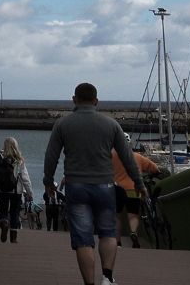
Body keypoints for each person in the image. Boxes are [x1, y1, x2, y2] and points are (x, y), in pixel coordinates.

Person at [44, 83, 148, 285]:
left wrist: (48, 181)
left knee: (83, 239)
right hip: (105, 186)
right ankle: (107, 277)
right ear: (96, 101)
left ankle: (89, 283)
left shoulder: (63, 124)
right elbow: (128, 157)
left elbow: (51, 157)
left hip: (76, 186)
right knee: (108, 232)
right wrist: (139, 183)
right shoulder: (111, 125)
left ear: (74, 100)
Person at [112, 133, 159, 247]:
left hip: (117, 189)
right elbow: (154, 168)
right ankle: (133, 232)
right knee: (133, 215)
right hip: (134, 189)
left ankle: (117, 242)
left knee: (117, 216)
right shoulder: (137, 157)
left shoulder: (111, 155)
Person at [0, 136, 34, 243]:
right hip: (16, 191)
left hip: (2, 190)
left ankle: (4, 224)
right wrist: (30, 193)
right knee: (14, 213)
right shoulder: (19, 160)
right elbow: (25, 178)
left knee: (3, 210)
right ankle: (13, 238)